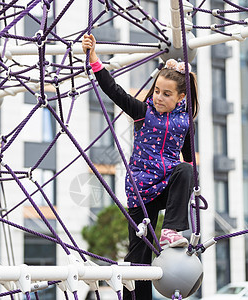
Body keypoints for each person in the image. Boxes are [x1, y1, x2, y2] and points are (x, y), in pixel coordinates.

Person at [82, 34, 199, 300]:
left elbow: (189, 158)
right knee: (138, 258)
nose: (158, 97)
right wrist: (94, 60)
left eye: (166, 94)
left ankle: (170, 230)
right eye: (157, 91)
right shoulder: (142, 112)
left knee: (186, 170)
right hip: (142, 191)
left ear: (181, 96)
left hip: (167, 184)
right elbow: (115, 91)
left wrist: (194, 188)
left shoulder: (186, 123)